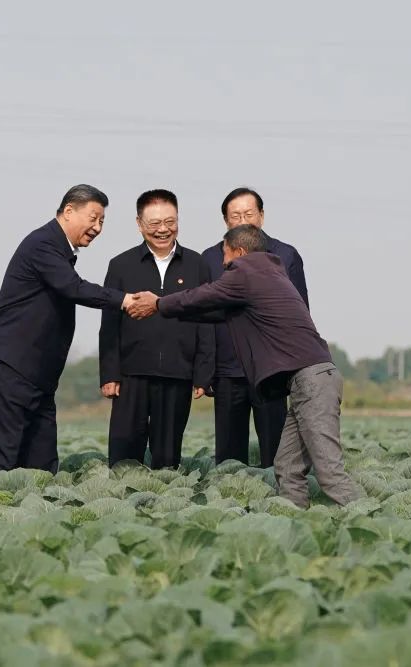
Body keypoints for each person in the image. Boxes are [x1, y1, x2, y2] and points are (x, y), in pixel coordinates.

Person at [127, 224, 360, 508]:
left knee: (329, 472)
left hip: (312, 382)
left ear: (239, 252)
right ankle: (295, 521)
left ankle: (375, 523)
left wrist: (159, 303)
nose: (223, 264)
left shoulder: (246, 271)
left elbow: (202, 296)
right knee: (287, 467)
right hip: (310, 381)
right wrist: (167, 313)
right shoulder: (269, 273)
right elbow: (213, 311)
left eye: (225, 257)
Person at [0, 184, 137, 473]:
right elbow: (73, 288)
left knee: (42, 464)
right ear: (68, 211)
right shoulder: (43, 244)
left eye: (102, 221)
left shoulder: (59, 250)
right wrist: (124, 300)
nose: (98, 227)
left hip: (38, 377)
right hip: (11, 367)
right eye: (93, 218)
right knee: (4, 460)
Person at [99, 189, 213, 468]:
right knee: (124, 449)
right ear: (139, 224)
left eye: (170, 222)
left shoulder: (197, 264)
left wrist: (203, 373)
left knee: (167, 455)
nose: (163, 230)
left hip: (178, 373)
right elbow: (109, 325)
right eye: (154, 224)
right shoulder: (121, 265)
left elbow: (207, 322)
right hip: (131, 374)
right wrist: (109, 373)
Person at [201, 187, 309, 468]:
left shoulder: (286, 255)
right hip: (227, 370)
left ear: (261, 216)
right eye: (235, 215)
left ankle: (279, 502)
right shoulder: (210, 259)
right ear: (225, 221)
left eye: (249, 213)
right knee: (228, 455)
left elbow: (299, 314)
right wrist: (205, 369)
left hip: (271, 371)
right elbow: (201, 316)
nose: (243, 220)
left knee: (277, 452)